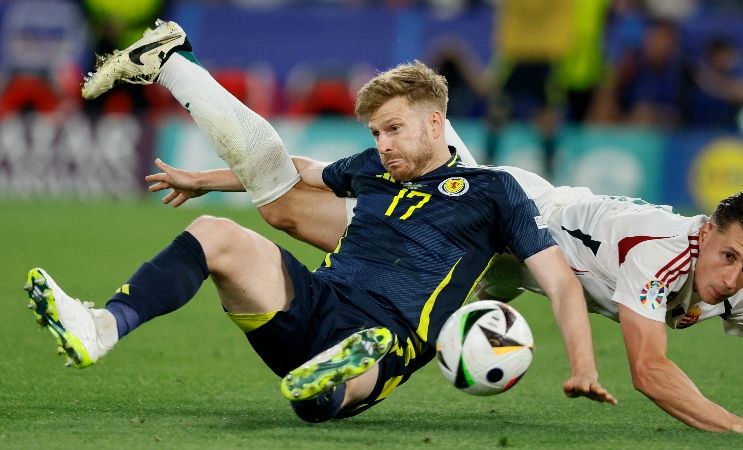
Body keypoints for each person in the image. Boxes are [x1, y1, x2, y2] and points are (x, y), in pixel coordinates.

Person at [24, 20, 616, 424]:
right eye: (376, 133)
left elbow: (562, 282)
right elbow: (298, 172)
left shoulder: (495, 192)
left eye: (394, 129)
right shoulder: (373, 168)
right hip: (319, 296)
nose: (382, 144)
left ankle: (337, 378)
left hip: (394, 331)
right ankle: (100, 326)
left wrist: (584, 368)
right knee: (216, 234)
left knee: (334, 388)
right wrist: (205, 181)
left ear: (436, 123)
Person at [149, 132, 743, 435]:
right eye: (728, 258)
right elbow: (650, 370)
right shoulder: (661, 256)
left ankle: (338, 380)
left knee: (404, 334)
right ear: (706, 233)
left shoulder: (732, 279)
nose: (736, 278)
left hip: (511, 265)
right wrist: (740, 428)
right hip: (505, 219)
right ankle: (206, 180)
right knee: (289, 205)